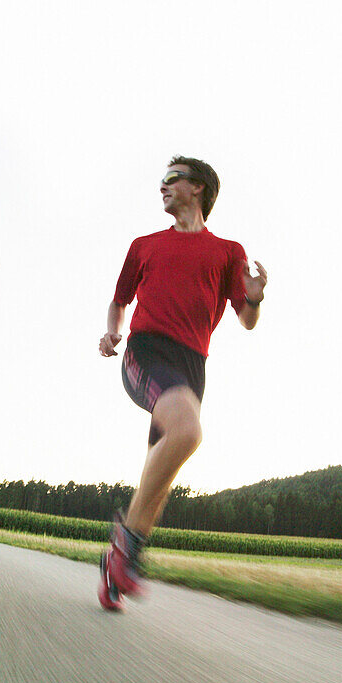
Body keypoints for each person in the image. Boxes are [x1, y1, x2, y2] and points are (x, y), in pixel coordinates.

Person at [97, 155, 267, 610]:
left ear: (199, 189)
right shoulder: (144, 245)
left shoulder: (227, 251)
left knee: (162, 471)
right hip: (146, 353)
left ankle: (117, 569)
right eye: (163, 181)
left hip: (193, 366)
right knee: (188, 433)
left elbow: (246, 319)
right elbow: (119, 299)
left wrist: (254, 297)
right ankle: (126, 546)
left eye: (172, 179)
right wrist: (113, 330)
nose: (163, 187)